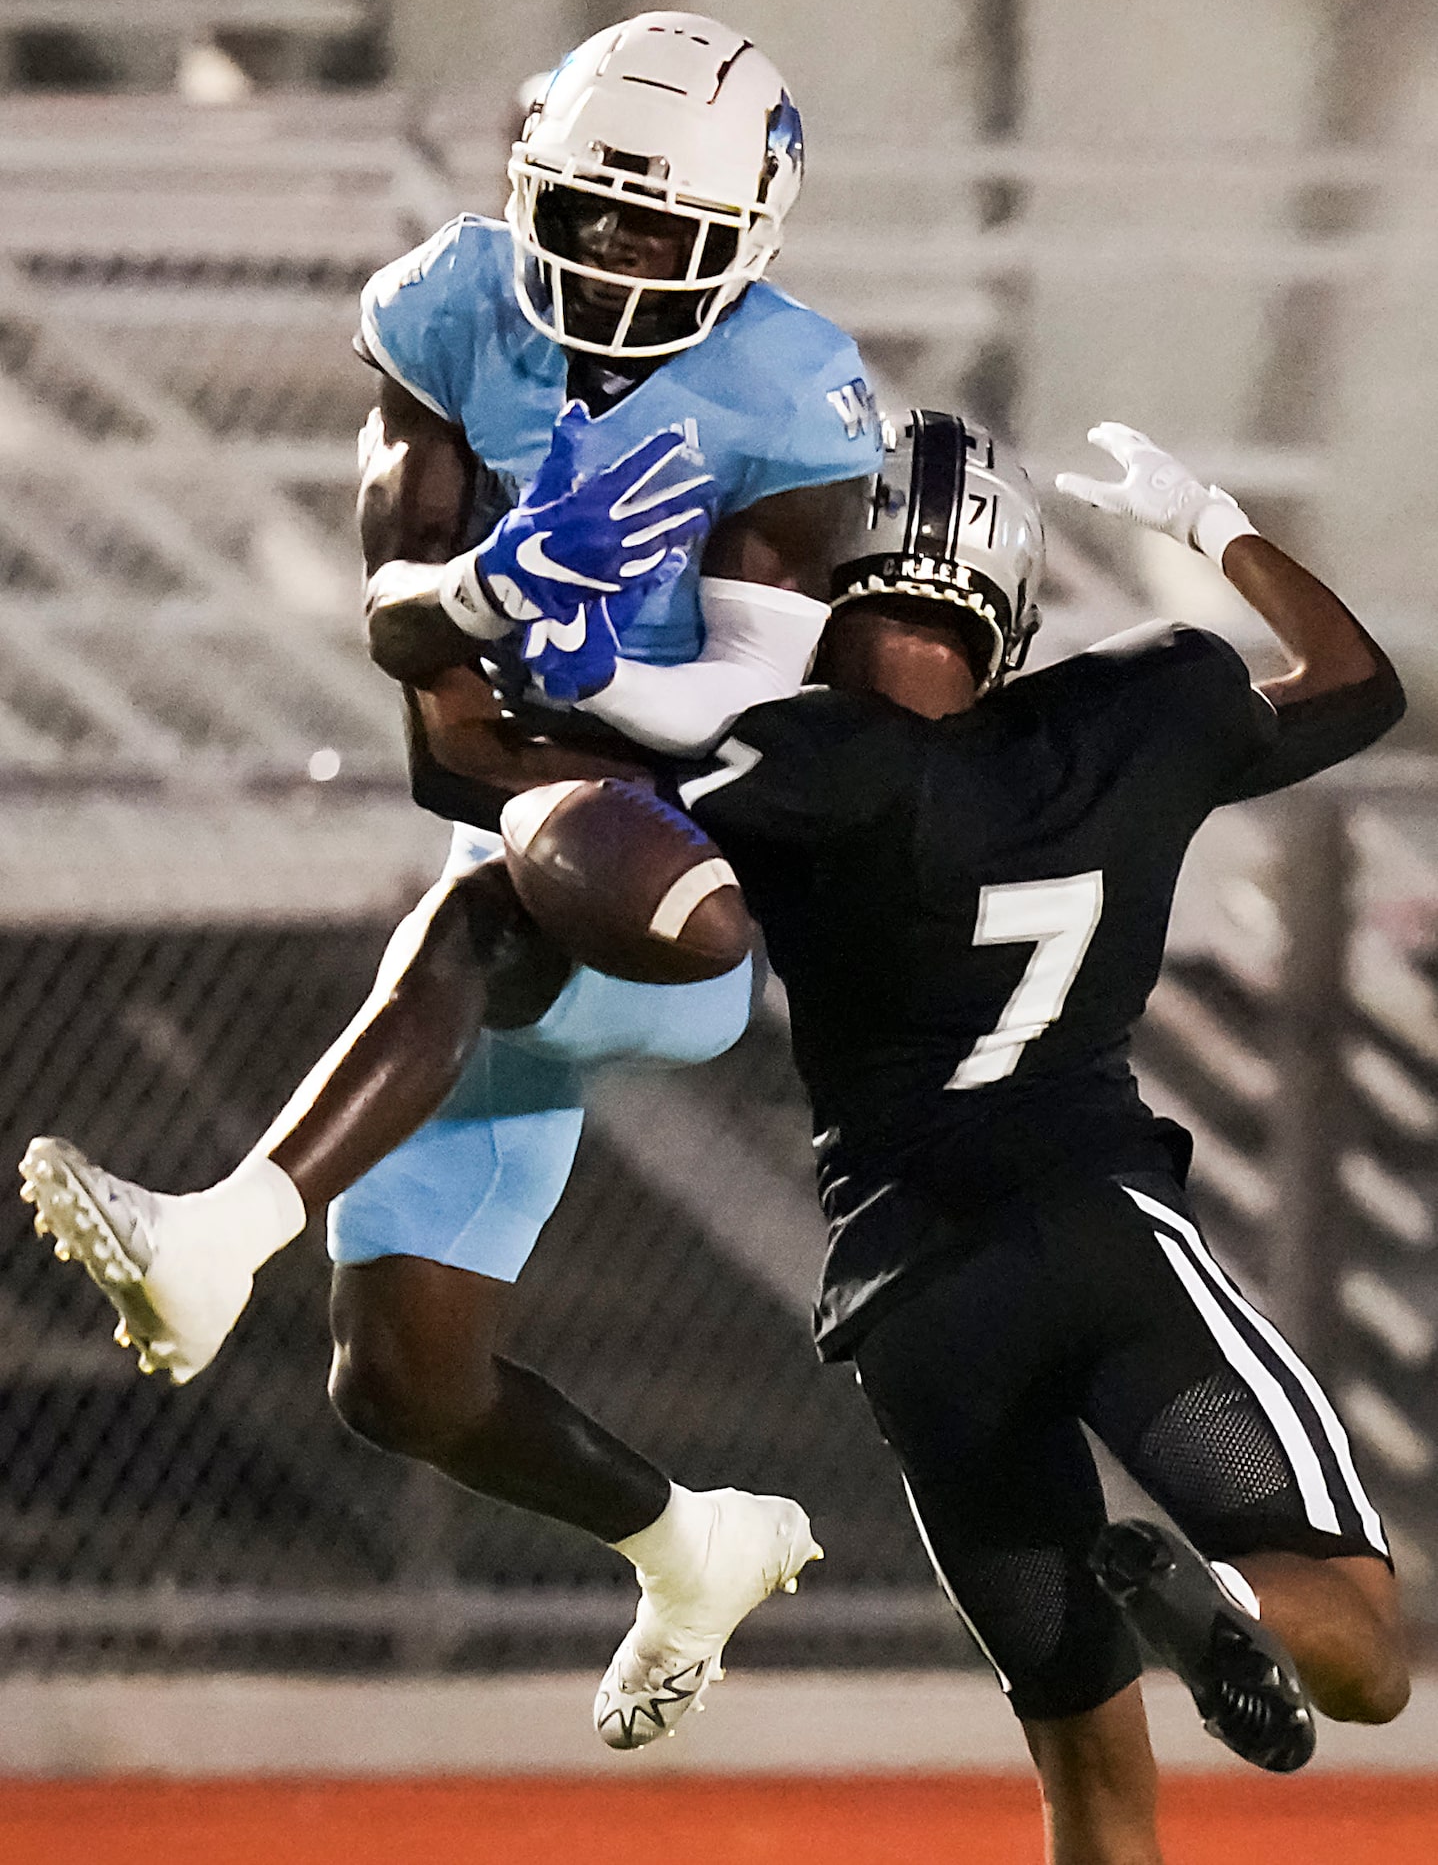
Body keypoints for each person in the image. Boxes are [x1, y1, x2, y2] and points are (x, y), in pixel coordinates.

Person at [367, 409, 1409, 1856]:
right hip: (1100, 1230)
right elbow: (1357, 690)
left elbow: (497, 780)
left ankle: (1187, 1619)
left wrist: (444, 623)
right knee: (1355, 1645)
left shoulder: (791, 762)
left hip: (913, 1298)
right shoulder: (1140, 707)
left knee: (1092, 1783)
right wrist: (1207, 522)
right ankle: (1218, 1602)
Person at [21, 9, 881, 1750]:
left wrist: (579, 676)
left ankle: (215, 1229)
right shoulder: (448, 305)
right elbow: (420, 691)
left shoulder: (793, 397)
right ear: (525, 183)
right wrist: (497, 587)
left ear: (748, 242)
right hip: (493, 889)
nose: (619, 261)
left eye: (666, 232)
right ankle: (689, 1543)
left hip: (686, 890)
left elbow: (750, 723)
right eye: (591, 214)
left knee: (504, 888)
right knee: (399, 1383)